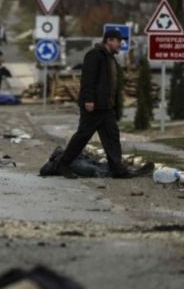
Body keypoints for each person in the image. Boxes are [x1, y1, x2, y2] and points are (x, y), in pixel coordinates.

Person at [55, 28, 131, 179]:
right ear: (109, 40)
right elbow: (88, 79)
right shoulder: (95, 55)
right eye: (118, 42)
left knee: (112, 136)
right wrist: (89, 100)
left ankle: (117, 168)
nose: (120, 45)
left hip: (106, 107)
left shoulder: (110, 58)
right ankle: (63, 164)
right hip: (94, 106)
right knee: (83, 136)